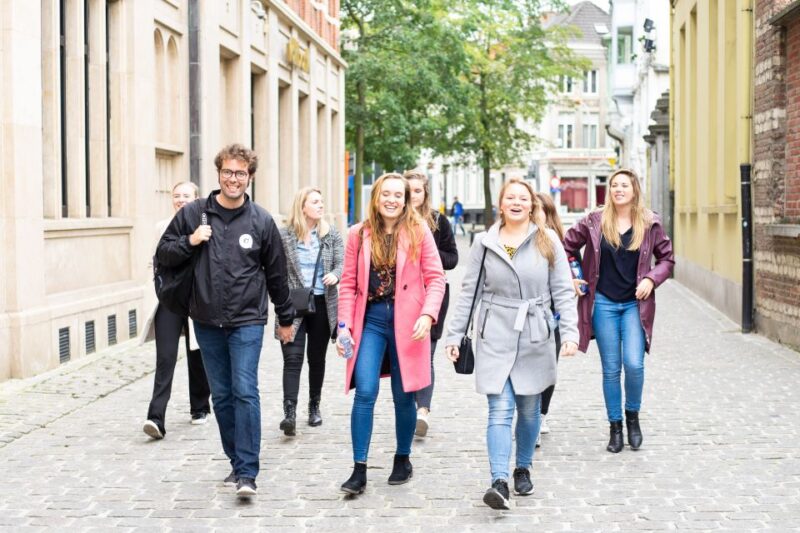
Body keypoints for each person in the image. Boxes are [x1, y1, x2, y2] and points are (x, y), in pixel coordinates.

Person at [156, 144, 294, 498]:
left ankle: (248, 471)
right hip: (205, 319)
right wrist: (190, 241)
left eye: (241, 173)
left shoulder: (261, 221)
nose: (234, 179)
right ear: (219, 174)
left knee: (245, 390)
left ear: (249, 177)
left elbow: (277, 274)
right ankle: (236, 462)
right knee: (222, 396)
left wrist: (285, 317)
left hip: (248, 320)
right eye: (228, 172)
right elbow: (164, 254)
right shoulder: (193, 215)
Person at [445, 178, 578, 510]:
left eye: (523, 198)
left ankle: (523, 467)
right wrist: (454, 335)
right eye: (510, 197)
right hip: (495, 332)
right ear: (501, 205)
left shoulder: (548, 241)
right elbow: (469, 293)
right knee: (499, 410)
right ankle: (499, 480)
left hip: (535, 332)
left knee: (530, 410)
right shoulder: (483, 242)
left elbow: (563, 290)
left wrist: (572, 332)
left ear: (532, 205)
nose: (517, 202)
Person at [336, 173, 445, 495]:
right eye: (387, 193)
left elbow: (436, 278)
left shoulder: (418, 231)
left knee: (403, 395)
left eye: (399, 194)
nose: (392, 200)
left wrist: (428, 314)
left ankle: (402, 457)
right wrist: (344, 326)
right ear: (376, 197)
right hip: (370, 321)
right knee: (365, 391)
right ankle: (359, 468)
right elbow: (347, 284)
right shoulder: (359, 234)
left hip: (408, 323)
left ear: (407, 199)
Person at [563, 168, 675, 454]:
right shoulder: (593, 221)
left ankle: (632, 418)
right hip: (603, 304)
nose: (619, 189)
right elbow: (566, 247)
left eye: (624, 185)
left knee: (634, 365)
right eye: (614, 185)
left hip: (635, 306)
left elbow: (667, 259)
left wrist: (651, 278)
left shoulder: (650, 223)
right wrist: (575, 274)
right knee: (611, 369)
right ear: (609, 190)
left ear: (634, 189)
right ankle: (615, 427)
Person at [141, 181, 211, 440]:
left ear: (196, 199)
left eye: (186, 196)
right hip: (169, 299)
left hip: (195, 298)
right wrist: (156, 290)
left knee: (197, 352)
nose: (181, 200)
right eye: (177, 196)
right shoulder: (162, 227)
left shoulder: (205, 226)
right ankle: (155, 417)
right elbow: (153, 260)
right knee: (166, 356)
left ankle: (200, 406)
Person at [276, 187, 344, 436]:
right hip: (292, 305)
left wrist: (335, 276)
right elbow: (276, 271)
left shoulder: (330, 235)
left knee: (316, 359)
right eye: (315, 201)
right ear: (302, 206)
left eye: (322, 201)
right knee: (292, 359)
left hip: (323, 304)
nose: (320, 205)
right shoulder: (284, 237)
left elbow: (341, 263)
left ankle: (314, 405)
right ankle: (289, 412)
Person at [403, 169, 458, 437]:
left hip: (433, 294)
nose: (412, 195)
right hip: (401, 297)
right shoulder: (393, 221)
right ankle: (407, 407)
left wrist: (429, 255)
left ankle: (422, 410)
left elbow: (453, 258)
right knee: (405, 353)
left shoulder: (438, 221)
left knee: (426, 353)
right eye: (408, 190)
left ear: (425, 193)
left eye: (417, 190)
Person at [532, 192, 567, 446]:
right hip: (526, 314)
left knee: (547, 367)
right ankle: (529, 416)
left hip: (550, 315)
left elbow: (565, 279)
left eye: (538, 209)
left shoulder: (557, 242)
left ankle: (541, 412)